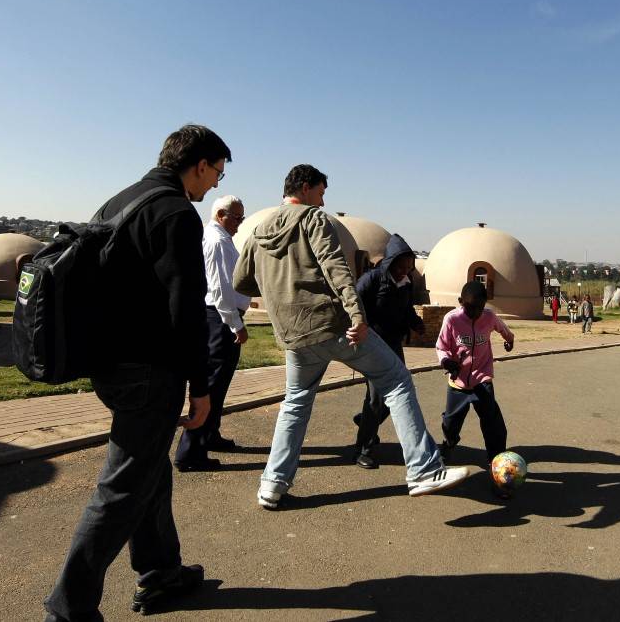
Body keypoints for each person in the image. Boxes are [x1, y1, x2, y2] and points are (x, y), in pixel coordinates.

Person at [44, 125, 230, 620]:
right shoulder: (176, 213)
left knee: (149, 469)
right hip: (150, 372)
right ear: (199, 165)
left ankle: (161, 572)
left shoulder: (120, 201)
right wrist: (202, 387)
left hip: (110, 365)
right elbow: (185, 309)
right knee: (122, 486)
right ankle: (67, 610)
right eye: (216, 173)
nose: (214, 184)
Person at [233, 164, 470, 509]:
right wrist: (358, 315)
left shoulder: (259, 229)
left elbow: (241, 281)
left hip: (295, 335)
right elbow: (336, 267)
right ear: (306, 187)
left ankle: (272, 484)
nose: (323, 199)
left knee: (295, 404)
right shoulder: (313, 219)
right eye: (321, 192)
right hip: (333, 325)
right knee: (396, 379)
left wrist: (278, 285)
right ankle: (423, 470)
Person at [174, 195, 250, 472]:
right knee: (212, 384)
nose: (240, 224)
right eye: (237, 218)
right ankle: (190, 452)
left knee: (220, 384)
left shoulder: (221, 238)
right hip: (220, 319)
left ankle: (209, 435)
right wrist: (235, 324)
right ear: (221, 214)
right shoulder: (217, 241)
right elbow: (219, 291)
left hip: (222, 318)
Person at [350, 233, 425, 469]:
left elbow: (406, 309)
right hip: (372, 345)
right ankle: (365, 448)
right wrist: (356, 330)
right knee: (375, 397)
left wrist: (416, 323)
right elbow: (353, 305)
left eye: (409, 267)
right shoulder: (371, 280)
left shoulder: (405, 284)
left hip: (393, 345)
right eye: (401, 266)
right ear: (390, 262)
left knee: (398, 393)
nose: (405, 271)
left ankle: (365, 424)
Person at [436, 281, 515, 495]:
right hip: (458, 384)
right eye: (470, 307)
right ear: (461, 302)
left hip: (482, 381)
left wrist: (510, 340)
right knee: (451, 424)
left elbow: (504, 330)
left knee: (494, 427)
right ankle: (449, 443)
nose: (475, 312)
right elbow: (441, 346)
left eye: (479, 308)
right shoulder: (452, 319)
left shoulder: (488, 317)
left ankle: (498, 473)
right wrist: (445, 361)